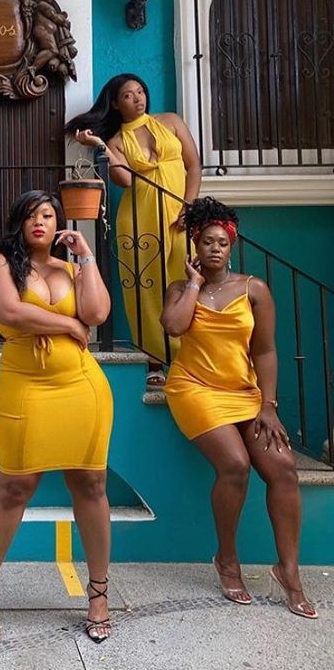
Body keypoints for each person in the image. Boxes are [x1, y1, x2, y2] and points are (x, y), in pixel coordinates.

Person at [160, 197, 317, 620]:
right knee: (234, 465)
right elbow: (174, 327)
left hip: (245, 393)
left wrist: (269, 404)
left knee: (283, 467)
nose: (215, 248)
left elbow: (265, 351)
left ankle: (289, 570)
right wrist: (193, 284)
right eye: (207, 241)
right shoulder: (180, 289)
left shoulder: (254, 290)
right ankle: (227, 560)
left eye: (222, 243)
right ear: (196, 246)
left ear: (232, 247)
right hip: (194, 388)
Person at [0, 191, 114, 644]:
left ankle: (98, 593)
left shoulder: (72, 269)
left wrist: (87, 256)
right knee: (15, 485)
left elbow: (97, 312)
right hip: (26, 385)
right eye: (33, 214)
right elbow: (10, 313)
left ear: (59, 225)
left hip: (83, 386)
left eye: (49, 214)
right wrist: (69, 326)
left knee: (90, 483)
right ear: (19, 221)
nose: (41, 221)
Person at [67, 74, 201, 388]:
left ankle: (190, 358)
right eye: (128, 95)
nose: (138, 98)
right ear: (115, 103)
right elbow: (125, 180)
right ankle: (155, 360)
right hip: (139, 218)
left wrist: (190, 206)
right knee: (147, 289)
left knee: (186, 279)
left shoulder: (171, 121)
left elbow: (194, 166)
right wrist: (100, 145)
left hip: (179, 215)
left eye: (141, 91)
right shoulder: (115, 140)